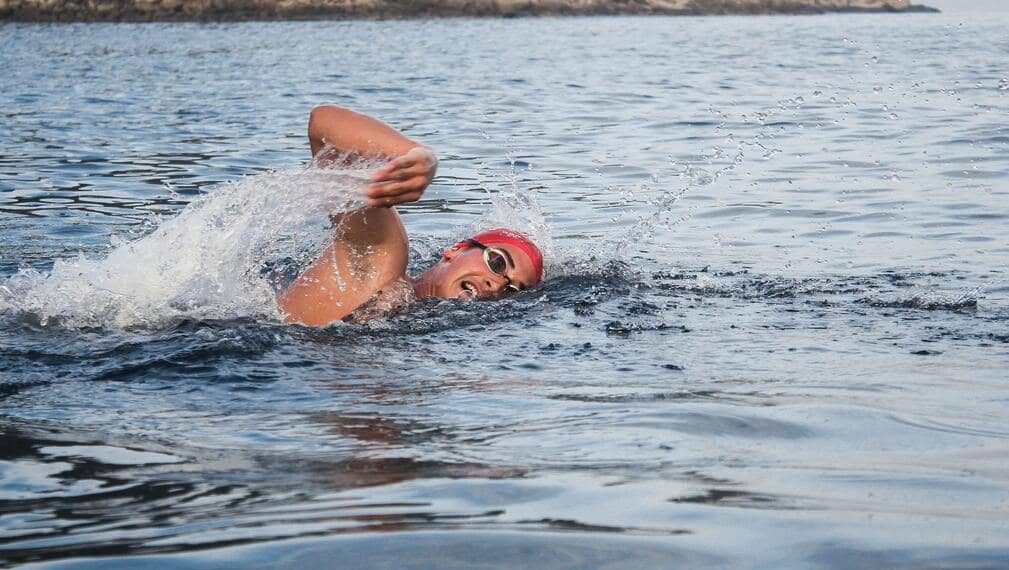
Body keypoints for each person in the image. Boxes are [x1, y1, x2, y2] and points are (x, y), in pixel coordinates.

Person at [277, 105, 544, 326]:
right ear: (456, 249)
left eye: (512, 290)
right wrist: (419, 155)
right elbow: (322, 122)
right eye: (497, 263)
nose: (496, 284)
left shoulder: (418, 319)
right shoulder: (382, 263)